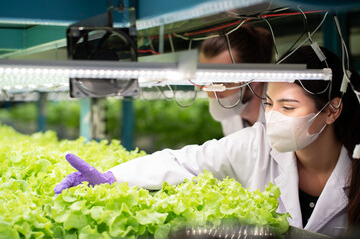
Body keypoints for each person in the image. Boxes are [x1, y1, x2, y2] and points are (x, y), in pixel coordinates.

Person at [54, 46, 360, 237]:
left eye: (288, 107)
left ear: (332, 109)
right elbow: (186, 162)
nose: (273, 116)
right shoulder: (256, 144)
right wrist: (113, 178)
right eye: (268, 103)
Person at [199, 25, 273, 136]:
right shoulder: (230, 116)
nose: (213, 92)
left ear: (254, 79)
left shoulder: (279, 116)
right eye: (208, 81)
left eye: (223, 82)